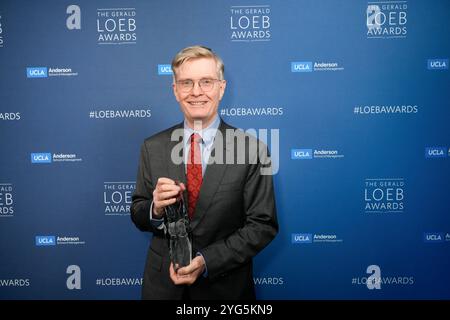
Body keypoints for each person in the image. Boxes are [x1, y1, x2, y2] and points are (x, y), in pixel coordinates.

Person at [131, 45, 278, 300]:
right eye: (186, 83)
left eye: (206, 82)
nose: (196, 92)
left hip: (225, 289)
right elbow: (138, 211)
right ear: (175, 90)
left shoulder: (253, 149)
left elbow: (262, 225)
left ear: (221, 88)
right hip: (162, 289)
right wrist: (154, 208)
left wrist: (205, 261)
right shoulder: (152, 147)